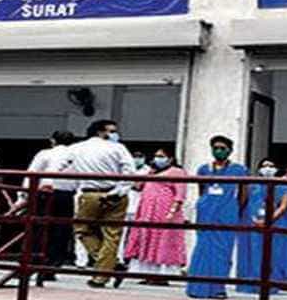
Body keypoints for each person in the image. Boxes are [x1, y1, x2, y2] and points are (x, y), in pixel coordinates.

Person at [64, 119, 135, 288]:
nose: (114, 134)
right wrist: (119, 191)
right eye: (111, 131)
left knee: (82, 230)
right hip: (115, 193)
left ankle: (104, 270)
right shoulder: (118, 148)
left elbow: (60, 166)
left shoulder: (76, 149)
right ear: (100, 132)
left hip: (90, 194)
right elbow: (130, 171)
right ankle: (108, 266)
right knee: (112, 235)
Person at [186, 135, 248, 299]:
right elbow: (202, 190)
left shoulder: (239, 170)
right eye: (215, 148)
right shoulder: (203, 169)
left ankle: (217, 288)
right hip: (206, 214)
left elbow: (243, 194)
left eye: (222, 148)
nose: (219, 151)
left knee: (223, 252)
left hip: (227, 214)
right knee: (203, 250)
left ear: (230, 150)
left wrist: (234, 210)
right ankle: (197, 288)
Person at [123, 147, 187, 284]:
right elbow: (137, 186)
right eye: (156, 156)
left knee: (163, 242)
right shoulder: (151, 172)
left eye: (161, 156)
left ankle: (162, 276)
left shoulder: (177, 172)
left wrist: (172, 212)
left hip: (165, 213)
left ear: (170, 158)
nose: (158, 159)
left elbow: (180, 195)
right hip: (148, 213)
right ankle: (148, 274)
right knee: (146, 240)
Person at [23, 130, 77, 281]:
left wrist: (24, 195)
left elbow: (32, 173)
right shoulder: (76, 155)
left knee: (40, 229)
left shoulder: (45, 153)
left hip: (47, 193)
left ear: (53, 141)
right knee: (61, 231)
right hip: (67, 195)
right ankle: (51, 267)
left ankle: (34, 264)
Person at [236, 158, 287, 294]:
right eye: (265, 166)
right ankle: (249, 283)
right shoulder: (252, 185)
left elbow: (283, 206)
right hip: (251, 222)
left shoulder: (283, 186)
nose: (268, 169)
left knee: (271, 252)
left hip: (274, 223)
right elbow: (242, 201)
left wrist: (269, 220)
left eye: (271, 166)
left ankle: (270, 284)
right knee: (251, 251)